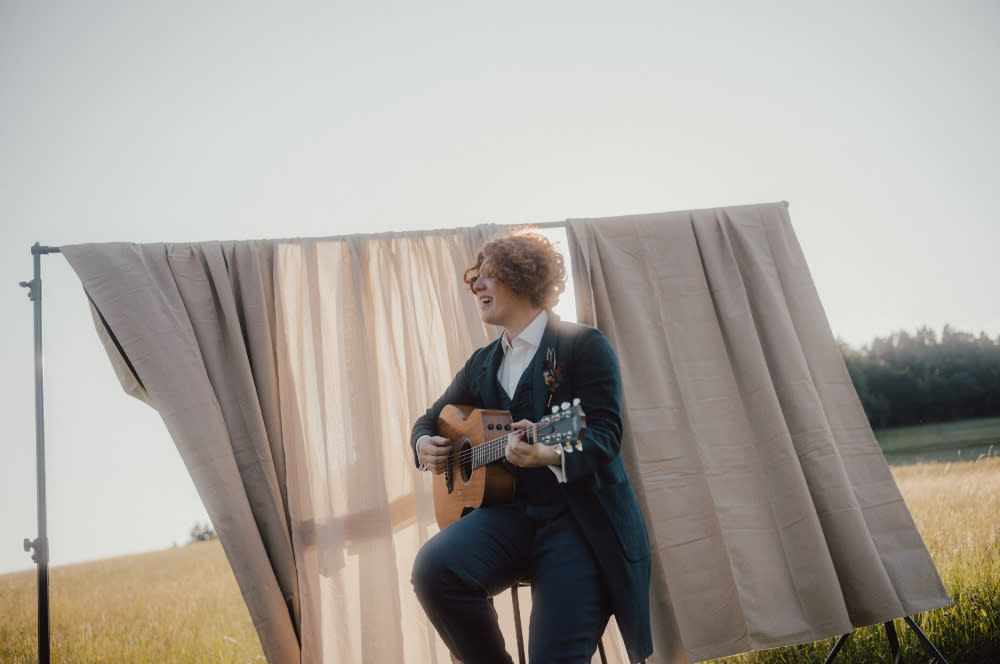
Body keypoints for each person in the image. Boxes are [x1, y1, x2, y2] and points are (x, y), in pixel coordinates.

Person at [411, 230, 653, 664]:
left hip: (579, 523)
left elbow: (604, 433)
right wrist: (422, 443)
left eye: (488, 275)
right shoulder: (482, 363)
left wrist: (551, 453)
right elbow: (431, 419)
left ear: (521, 276)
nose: (476, 285)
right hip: (511, 519)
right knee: (434, 569)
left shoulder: (583, 345)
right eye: (475, 278)